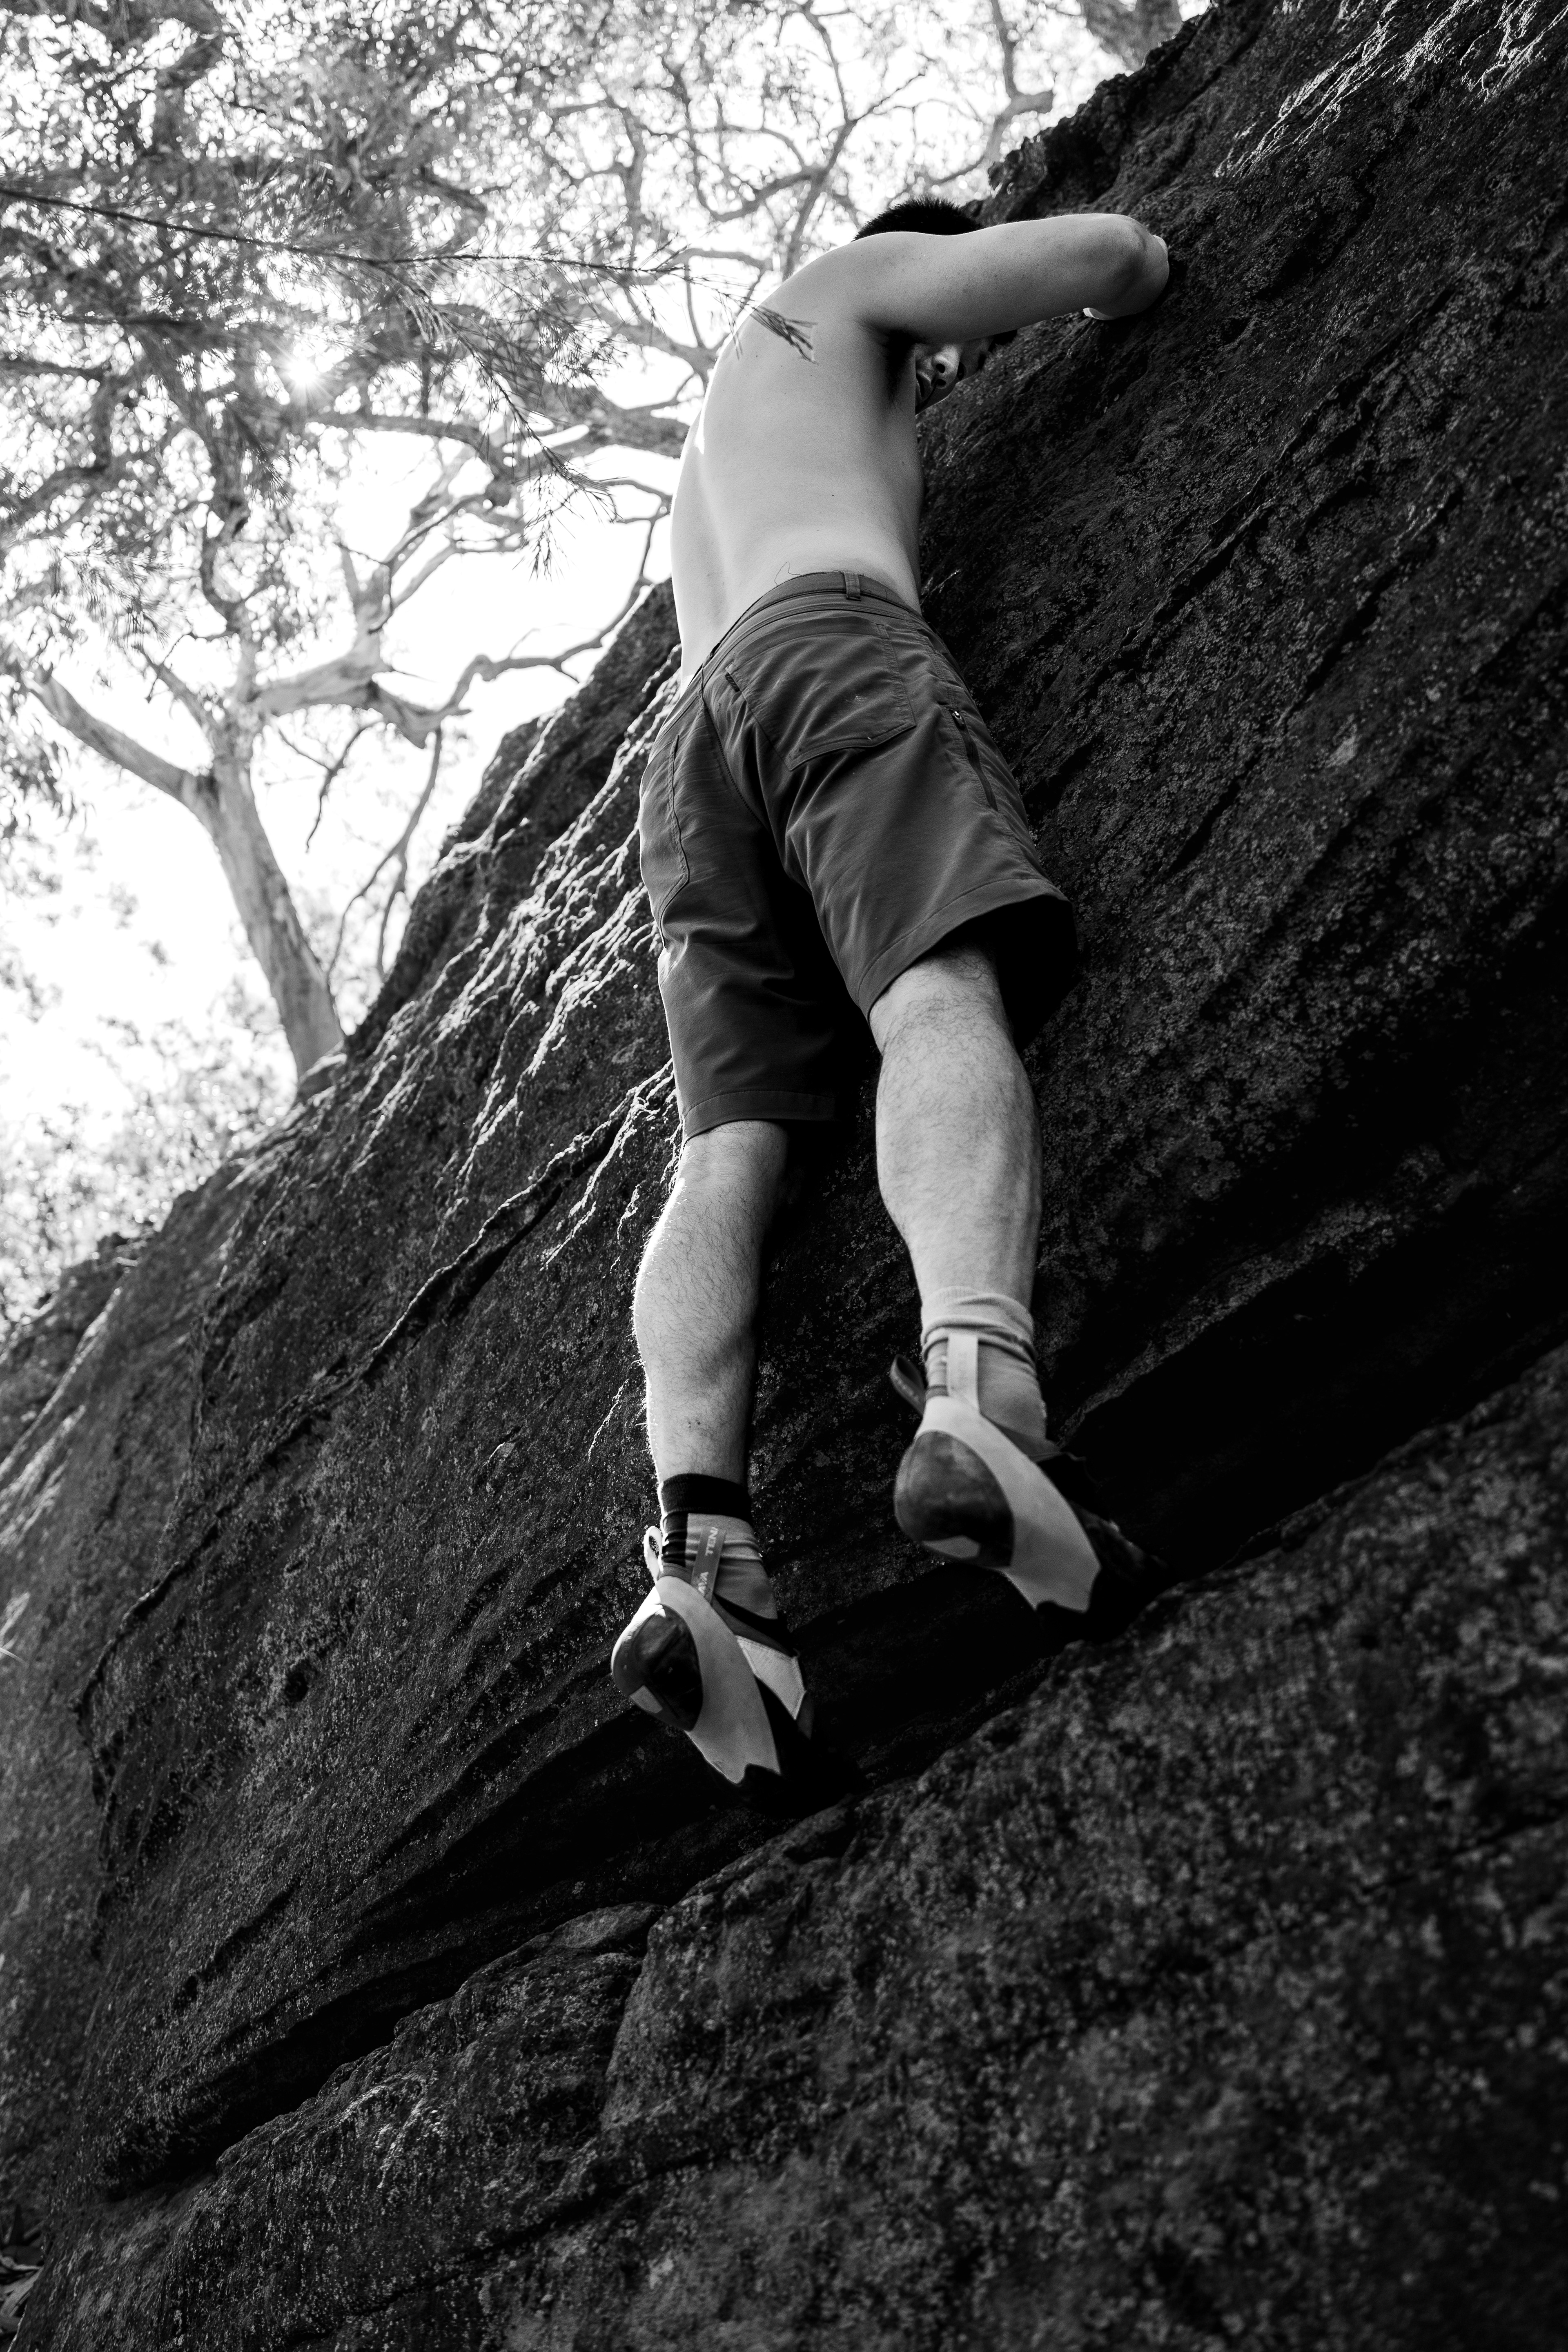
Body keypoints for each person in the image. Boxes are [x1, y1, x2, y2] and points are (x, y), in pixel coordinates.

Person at [611, 196, 1171, 1814]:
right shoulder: (843, 288)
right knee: (933, 990)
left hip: (686, 756)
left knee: (723, 1160)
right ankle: (978, 1394)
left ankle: (698, 1557)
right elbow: (1109, 264)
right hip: (827, 645)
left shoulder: (711, 452)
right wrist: (1127, 260)